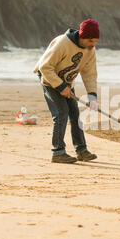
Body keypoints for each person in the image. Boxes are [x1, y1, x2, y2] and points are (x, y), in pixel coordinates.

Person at [33, 19, 100, 163]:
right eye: (90, 40)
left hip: (67, 81)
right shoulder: (62, 43)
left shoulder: (90, 50)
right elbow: (45, 67)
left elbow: (90, 74)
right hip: (49, 78)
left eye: (95, 41)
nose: (93, 44)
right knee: (61, 112)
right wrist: (61, 87)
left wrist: (92, 96)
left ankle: (81, 150)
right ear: (82, 37)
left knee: (74, 113)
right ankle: (58, 152)